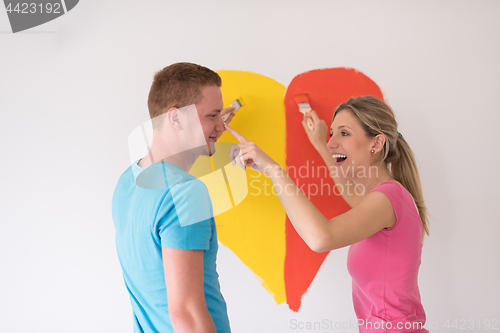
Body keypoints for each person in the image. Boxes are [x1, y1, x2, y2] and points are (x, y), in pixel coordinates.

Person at [225, 96, 429, 332]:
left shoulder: (387, 199)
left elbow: (321, 237)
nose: (332, 141)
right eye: (332, 133)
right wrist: (321, 145)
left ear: (376, 143)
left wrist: (274, 170)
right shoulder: (381, 199)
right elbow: (350, 193)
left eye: (344, 133)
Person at [112, 62, 234, 333]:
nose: (222, 126)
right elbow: (186, 314)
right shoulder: (185, 193)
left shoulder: (128, 181)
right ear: (176, 118)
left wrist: (207, 127)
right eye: (213, 116)